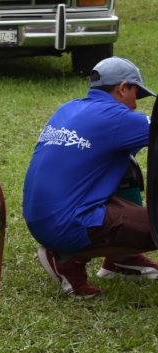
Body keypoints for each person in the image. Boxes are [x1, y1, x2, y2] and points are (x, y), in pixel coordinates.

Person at [23, 57, 158, 297]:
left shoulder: (68, 108)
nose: (135, 104)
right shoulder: (117, 118)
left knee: (126, 162)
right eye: (136, 94)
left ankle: (121, 260)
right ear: (123, 87)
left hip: (40, 217)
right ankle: (68, 256)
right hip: (68, 223)